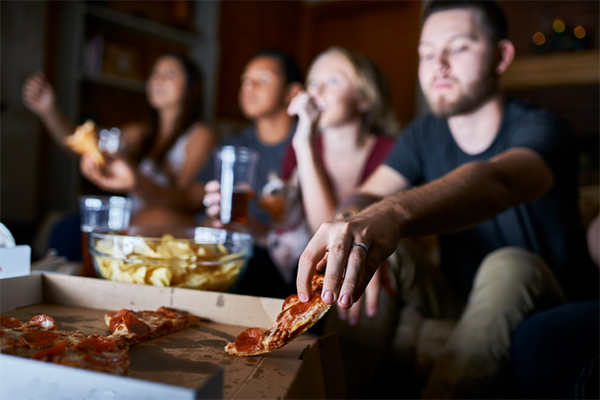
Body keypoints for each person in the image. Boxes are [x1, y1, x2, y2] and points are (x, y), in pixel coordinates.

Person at [293, 0, 600, 399]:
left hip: (545, 302)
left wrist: (391, 214)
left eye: (458, 48)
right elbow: (367, 193)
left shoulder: (545, 129)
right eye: (426, 52)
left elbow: (497, 180)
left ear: (501, 56)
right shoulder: (423, 134)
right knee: (371, 246)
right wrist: (355, 221)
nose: (438, 64)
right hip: (458, 301)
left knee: (510, 263)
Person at [22, 53, 216, 226]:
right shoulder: (140, 133)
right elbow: (81, 143)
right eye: (154, 72)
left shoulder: (200, 135)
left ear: (192, 88)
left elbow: (186, 201)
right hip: (133, 218)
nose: (158, 79)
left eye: (170, 73)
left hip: (165, 227)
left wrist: (135, 182)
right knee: (62, 226)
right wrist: (48, 110)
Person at [272, 46, 398, 292]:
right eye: (313, 81)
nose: (317, 90)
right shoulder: (299, 146)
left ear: (365, 99)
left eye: (333, 80)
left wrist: (304, 147)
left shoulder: (391, 152)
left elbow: (333, 237)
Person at [201, 49, 304, 298]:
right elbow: (197, 200)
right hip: (243, 246)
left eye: (263, 79)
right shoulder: (233, 146)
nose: (249, 86)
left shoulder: (309, 144)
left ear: (292, 92)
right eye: (245, 80)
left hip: (290, 263)